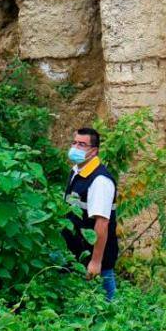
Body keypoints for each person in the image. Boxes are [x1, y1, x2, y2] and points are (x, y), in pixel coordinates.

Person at [62, 127, 119, 300]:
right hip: (77, 253)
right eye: (74, 143)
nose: (75, 148)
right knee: (80, 302)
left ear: (93, 151)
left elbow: (102, 223)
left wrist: (95, 262)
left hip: (94, 256)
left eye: (82, 145)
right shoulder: (77, 171)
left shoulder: (100, 180)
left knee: (108, 303)